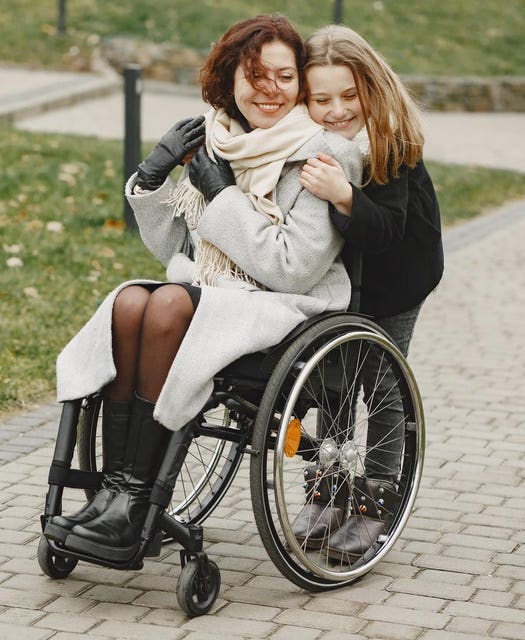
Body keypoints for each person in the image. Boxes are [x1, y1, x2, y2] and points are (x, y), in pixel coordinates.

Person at [46, 14, 364, 564]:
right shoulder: (217, 139)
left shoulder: (323, 152)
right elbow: (181, 248)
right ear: (229, 80)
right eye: (254, 75)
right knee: (129, 302)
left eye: (284, 78)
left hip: (287, 307)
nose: (268, 89)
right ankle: (115, 494)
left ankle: (135, 502)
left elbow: (293, 268)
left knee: (168, 300)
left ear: (301, 86)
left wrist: (223, 199)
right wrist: (152, 175)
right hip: (218, 296)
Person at [293, 24, 444, 558]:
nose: (337, 109)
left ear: (370, 90)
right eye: (322, 99)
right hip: (345, 278)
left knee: (380, 382)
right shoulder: (306, 138)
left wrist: (345, 196)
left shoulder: (388, 140)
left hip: (399, 273)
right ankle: (328, 488)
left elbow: (386, 230)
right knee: (335, 379)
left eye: (349, 96)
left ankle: (374, 502)